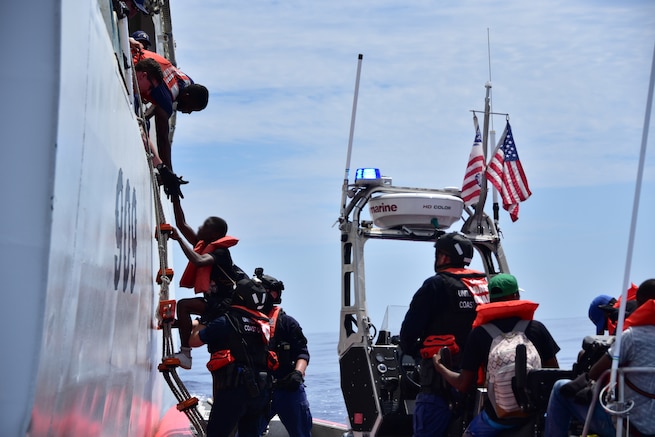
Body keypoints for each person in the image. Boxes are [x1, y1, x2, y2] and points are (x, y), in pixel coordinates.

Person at [432, 273, 561, 436]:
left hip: (498, 418)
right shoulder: (536, 329)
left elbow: (463, 384)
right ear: (515, 295)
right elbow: (554, 374)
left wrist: (440, 367)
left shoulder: (478, 334)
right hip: (534, 415)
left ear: (490, 299)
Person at [399, 232, 490, 436]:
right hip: (480, 386)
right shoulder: (485, 286)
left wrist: (416, 351)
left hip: (439, 387)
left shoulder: (435, 285)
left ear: (444, 257)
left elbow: (408, 335)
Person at [544, 278, 655, 437]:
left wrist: (579, 383)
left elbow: (598, 370)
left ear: (638, 303)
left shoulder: (631, 337)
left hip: (628, 428)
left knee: (559, 388)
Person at [168, 196, 245, 369]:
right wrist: (174, 197)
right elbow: (181, 224)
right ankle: (179, 328)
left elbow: (199, 261)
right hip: (214, 303)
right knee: (185, 317)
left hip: (224, 305)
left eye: (205, 227)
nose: (200, 228)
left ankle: (186, 355)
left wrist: (179, 240)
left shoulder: (221, 253)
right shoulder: (204, 245)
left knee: (183, 306)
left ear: (215, 234)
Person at [189, 278, 273, 437]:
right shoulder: (262, 323)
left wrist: (204, 320)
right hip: (260, 392)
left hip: (234, 391)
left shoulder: (226, 321)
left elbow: (194, 341)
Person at [133, 48, 208, 178]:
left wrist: (145, 116)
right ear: (186, 96)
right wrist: (169, 173)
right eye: (190, 107)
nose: (188, 112)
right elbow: (162, 139)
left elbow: (156, 106)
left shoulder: (187, 81)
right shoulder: (167, 98)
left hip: (138, 54)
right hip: (133, 67)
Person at [254, 269, 313, 437]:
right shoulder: (247, 322)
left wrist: (297, 373)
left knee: (301, 433)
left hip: (288, 389)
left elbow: (303, 353)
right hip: (259, 390)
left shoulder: (288, 323)